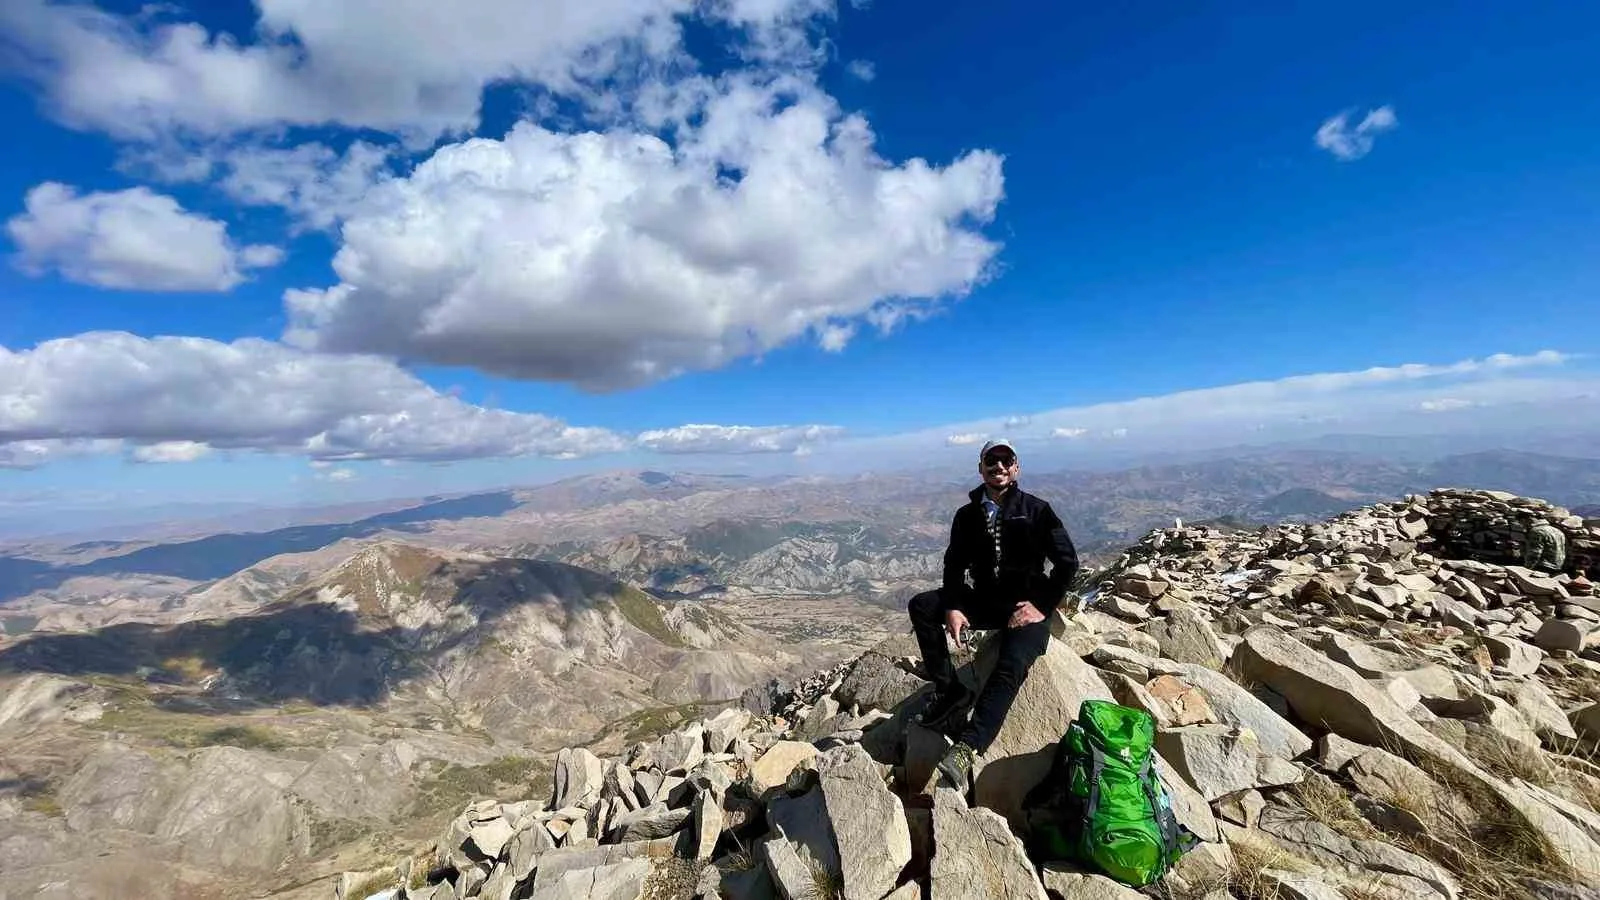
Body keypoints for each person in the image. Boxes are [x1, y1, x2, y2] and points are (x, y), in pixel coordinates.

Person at [907, 438, 1080, 790]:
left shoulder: (1037, 510)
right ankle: (950, 690)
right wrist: (954, 605)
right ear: (981, 467)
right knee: (922, 606)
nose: (998, 466)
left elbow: (1067, 563)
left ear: (1016, 468)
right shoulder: (967, 515)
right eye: (991, 460)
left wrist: (1041, 606)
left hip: (1025, 607)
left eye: (1006, 460)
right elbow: (954, 564)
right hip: (984, 600)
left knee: (1011, 664)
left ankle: (969, 745)